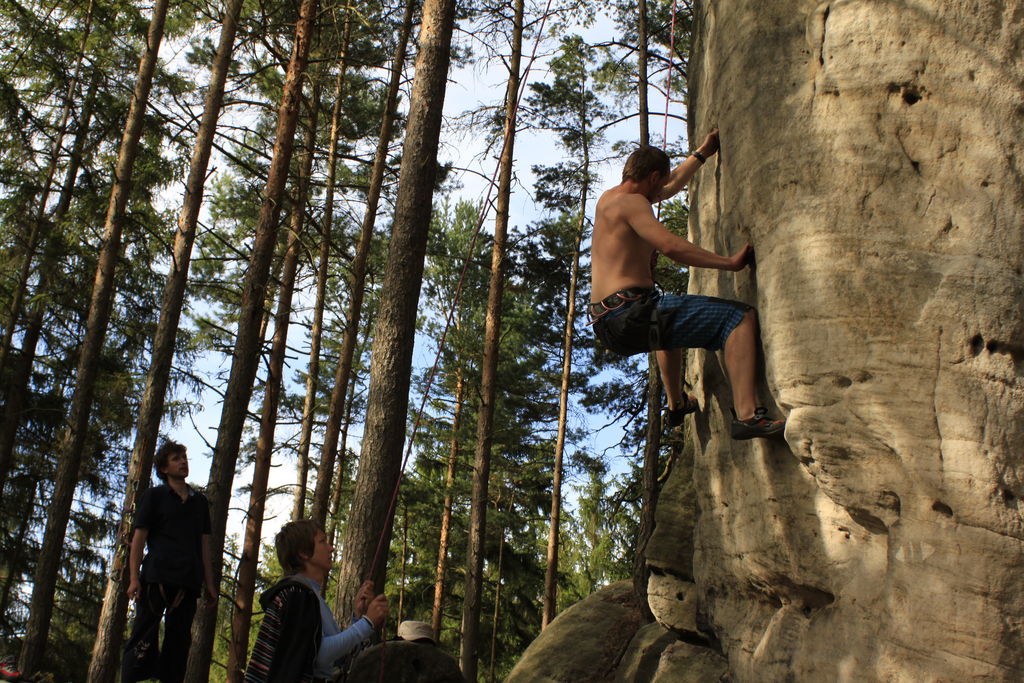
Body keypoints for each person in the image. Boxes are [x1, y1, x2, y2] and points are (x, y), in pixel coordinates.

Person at [589, 131, 785, 440]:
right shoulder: (634, 204)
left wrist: (702, 154)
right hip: (631, 313)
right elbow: (672, 247)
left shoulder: (611, 199)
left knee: (668, 323)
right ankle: (748, 415)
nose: (663, 191)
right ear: (653, 177)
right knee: (738, 317)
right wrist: (729, 263)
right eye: (660, 183)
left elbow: (668, 185)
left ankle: (677, 404)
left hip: (609, 321)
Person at [244, 520, 388, 683]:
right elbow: (319, 655)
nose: (331, 548)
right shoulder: (297, 595)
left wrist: (359, 617)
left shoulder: (309, 596)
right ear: (303, 553)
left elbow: (334, 659)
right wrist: (367, 623)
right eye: (322, 541)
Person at [122, 441, 217, 683]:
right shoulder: (154, 496)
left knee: (179, 645)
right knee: (142, 640)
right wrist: (134, 578)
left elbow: (205, 546)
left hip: (188, 582)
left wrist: (210, 584)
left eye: (184, 457)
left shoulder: (199, 502)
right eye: (176, 458)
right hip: (156, 578)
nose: (183, 462)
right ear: (164, 468)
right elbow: (138, 539)